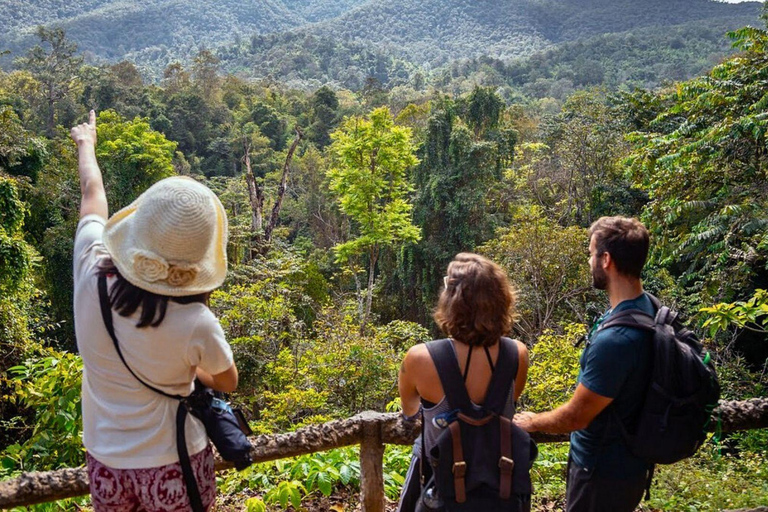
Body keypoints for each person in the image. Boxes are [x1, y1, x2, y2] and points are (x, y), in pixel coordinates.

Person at [71, 110, 238, 511]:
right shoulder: (197, 322)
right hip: (175, 459)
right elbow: (227, 381)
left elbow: (92, 192)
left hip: (106, 459)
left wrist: (86, 143)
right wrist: (183, 371)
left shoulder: (91, 265)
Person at [514, 216, 654, 512]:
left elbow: (577, 417)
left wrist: (532, 421)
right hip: (628, 465)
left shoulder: (617, 340)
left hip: (602, 473)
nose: (589, 260)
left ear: (606, 260)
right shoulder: (649, 308)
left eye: (591, 253)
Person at [397, 252, 530, 511]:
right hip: (499, 486)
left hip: (442, 488)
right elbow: (510, 401)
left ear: (452, 300)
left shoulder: (420, 357)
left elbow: (410, 411)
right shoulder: (517, 354)